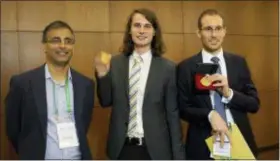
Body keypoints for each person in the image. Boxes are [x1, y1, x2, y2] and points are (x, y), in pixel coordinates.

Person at [94, 8, 185, 160]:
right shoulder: (115, 63)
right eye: (137, 25)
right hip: (122, 148)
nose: (141, 31)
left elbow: (172, 114)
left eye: (147, 26)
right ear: (130, 30)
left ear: (154, 31)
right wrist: (102, 75)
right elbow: (105, 101)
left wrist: (179, 155)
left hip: (156, 151)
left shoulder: (168, 68)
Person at [5, 20, 95, 160]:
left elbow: (84, 124)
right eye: (55, 40)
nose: (63, 46)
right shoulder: (22, 83)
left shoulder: (86, 85)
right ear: (45, 46)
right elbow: (13, 129)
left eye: (68, 41)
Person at [177, 9, 260, 159]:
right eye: (208, 29)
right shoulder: (186, 67)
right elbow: (183, 109)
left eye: (218, 29)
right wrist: (209, 115)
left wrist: (229, 94)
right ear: (198, 33)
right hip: (202, 144)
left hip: (239, 143)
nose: (214, 35)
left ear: (224, 31)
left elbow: (254, 104)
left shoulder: (238, 63)